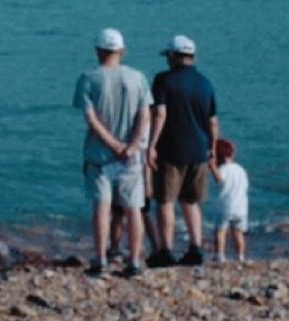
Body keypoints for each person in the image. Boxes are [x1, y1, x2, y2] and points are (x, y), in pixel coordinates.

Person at [75, 28, 154, 273]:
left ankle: (100, 260)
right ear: (122, 51)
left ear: (98, 50)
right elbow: (145, 114)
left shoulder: (88, 78)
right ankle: (134, 261)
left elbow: (91, 118)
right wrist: (132, 144)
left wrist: (112, 144)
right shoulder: (138, 78)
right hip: (130, 156)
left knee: (102, 208)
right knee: (133, 209)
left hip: (100, 155)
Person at [147, 34, 222, 267]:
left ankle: (165, 250)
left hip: (170, 149)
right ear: (193, 56)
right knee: (191, 202)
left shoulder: (163, 80)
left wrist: (151, 145)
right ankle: (196, 248)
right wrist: (212, 148)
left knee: (166, 201)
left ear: (172, 56)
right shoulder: (206, 83)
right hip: (199, 150)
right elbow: (213, 122)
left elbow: (160, 113)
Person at [209, 137, 252, 265]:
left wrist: (211, 167)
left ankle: (220, 255)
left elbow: (220, 179)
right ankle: (240, 256)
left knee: (220, 231)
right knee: (238, 233)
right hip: (241, 207)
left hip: (226, 206)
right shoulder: (240, 169)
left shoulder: (224, 169)